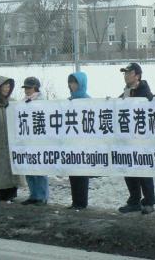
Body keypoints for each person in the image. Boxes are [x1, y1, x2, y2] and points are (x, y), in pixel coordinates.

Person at [117, 63, 155, 215]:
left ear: (137, 76)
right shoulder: (126, 92)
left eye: (129, 73)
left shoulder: (144, 92)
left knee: (143, 168)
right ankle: (134, 200)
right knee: (129, 168)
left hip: (142, 138)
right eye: (125, 73)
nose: (126, 75)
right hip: (127, 137)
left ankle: (149, 201)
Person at [20, 77, 49, 206]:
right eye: (25, 88)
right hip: (27, 140)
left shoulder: (42, 102)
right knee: (29, 169)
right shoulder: (23, 102)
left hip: (39, 141)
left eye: (29, 87)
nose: (27, 90)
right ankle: (33, 195)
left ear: (36, 88)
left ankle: (42, 196)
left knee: (40, 169)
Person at [67, 71, 91, 210]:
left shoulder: (87, 100)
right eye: (70, 82)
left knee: (81, 173)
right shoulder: (69, 101)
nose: (72, 85)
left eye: (75, 82)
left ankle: (82, 202)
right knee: (73, 173)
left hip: (83, 144)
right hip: (71, 143)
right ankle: (75, 201)